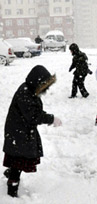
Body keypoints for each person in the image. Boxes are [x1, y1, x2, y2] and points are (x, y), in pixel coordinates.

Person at [2, 65, 62, 197]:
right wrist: (51, 119)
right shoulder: (25, 94)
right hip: (18, 133)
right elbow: (33, 116)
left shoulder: (30, 90)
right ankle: (12, 191)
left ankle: (12, 172)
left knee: (18, 157)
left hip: (20, 131)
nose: (46, 89)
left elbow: (35, 112)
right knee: (19, 159)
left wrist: (47, 117)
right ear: (37, 82)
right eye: (45, 85)